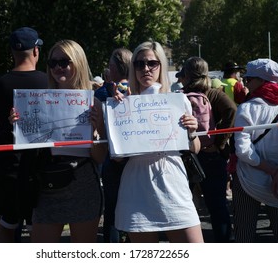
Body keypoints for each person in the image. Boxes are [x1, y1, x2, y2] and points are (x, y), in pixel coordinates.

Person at [17, 39, 107, 243]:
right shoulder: (36, 101)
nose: (58, 67)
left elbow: (100, 158)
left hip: (82, 184)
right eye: (52, 63)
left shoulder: (95, 104)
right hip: (47, 183)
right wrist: (19, 124)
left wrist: (95, 130)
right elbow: (28, 146)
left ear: (78, 63)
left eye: (64, 61)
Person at [114, 41, 203, 243]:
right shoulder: (123, 103)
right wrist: (114, 117)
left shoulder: (178, 100)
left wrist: (192, 132)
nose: (145, 68)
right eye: (139, 64)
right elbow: (117, 158)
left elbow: (194, 149)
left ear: (161, 65)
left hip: (173, 184)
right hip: (137, 186)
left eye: (152, 63)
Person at [233, 58, 278, 242]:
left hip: (248, 180)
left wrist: (272, 170)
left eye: (249, 79)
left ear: (262, 81)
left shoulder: (246, 108)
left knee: (244, 236)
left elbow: (242, 151)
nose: (245, 82)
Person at [0, 27, 48, 242]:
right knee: (38, 227)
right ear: (35, 51)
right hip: (39, 164)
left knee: (7, 224)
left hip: (9, 164)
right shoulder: (48, 82)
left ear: (12, 52)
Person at [179, 56, 237, 242]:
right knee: (217, 205)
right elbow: (232, 110)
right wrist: (218, 142)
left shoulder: (179, 96)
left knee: (184, 204)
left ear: (186, 75)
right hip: (211, 156)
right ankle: (224, 243)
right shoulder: (213, 93)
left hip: (186, 155)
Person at [94, 47, 132, 243]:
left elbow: (96, 130)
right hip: (136, 160)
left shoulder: (102, 92)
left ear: (115, 67)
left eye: (110, 65)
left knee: (112, 210)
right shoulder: (140, 89)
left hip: (112, 157)